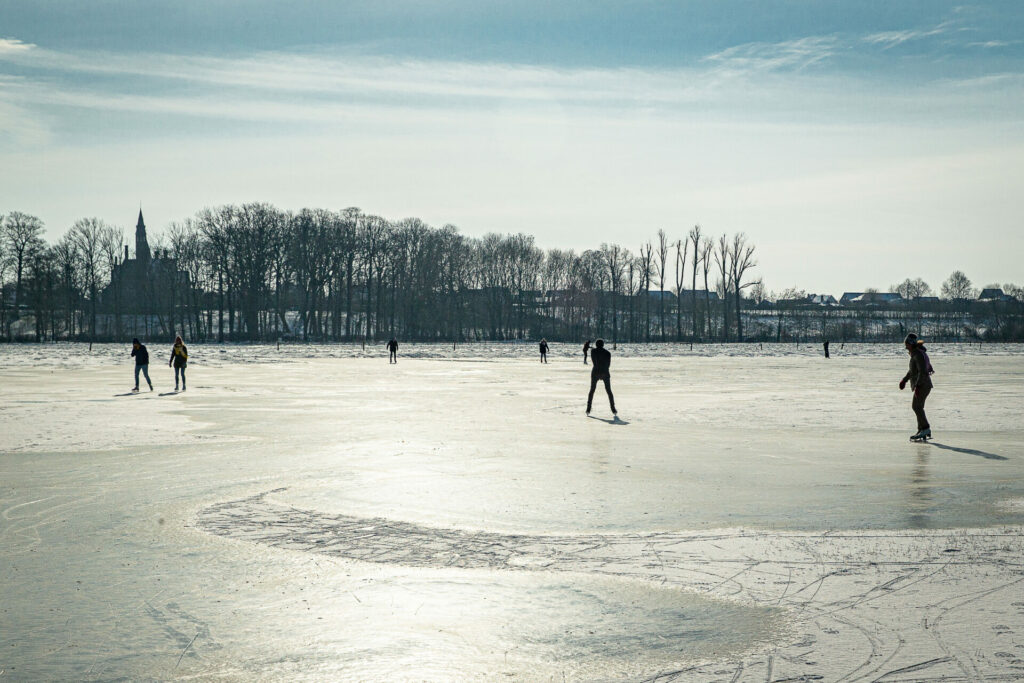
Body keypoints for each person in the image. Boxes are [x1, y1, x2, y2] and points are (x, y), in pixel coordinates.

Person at [899, 333, 933, 441]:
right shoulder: (915, 354)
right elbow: (913, 371)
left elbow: (922, 371)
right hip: (923, 384)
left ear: (911, 344)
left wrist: (918, 386)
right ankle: (921, 430)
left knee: (916, 407)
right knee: (918, 407)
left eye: (907, 344)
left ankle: (925, 428)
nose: (905, 346)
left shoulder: (917, 354)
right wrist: (904, 380)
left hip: (923, 384)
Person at [586, 338, 617, 416]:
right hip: (605, 372)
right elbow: (608, 365)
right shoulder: (607, 353)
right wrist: (604, 370)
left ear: (596, 344)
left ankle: (588, 409)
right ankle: (613, 409)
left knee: (592, 390)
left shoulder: (593, 351)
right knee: (609, 391)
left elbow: (594, 362)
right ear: (603, 344)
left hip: (595, 372)